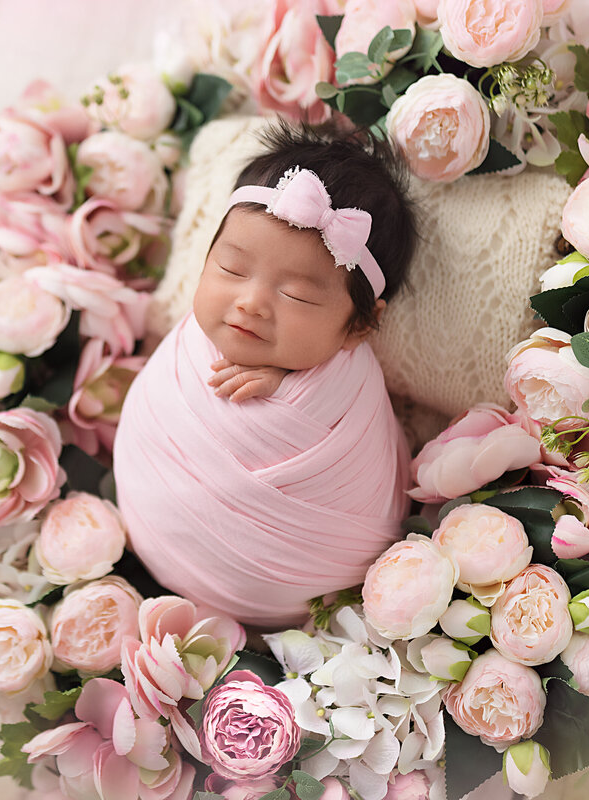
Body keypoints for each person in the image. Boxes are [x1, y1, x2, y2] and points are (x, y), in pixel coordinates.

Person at [111, 122, 419, 628]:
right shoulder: (189, 345)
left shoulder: (347, 385)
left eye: (297, 296)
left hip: (307, 589)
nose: (250, 302)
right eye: (231, 269)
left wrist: (289, 387)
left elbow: (349, 438)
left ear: (359, 326)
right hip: (143, 536)